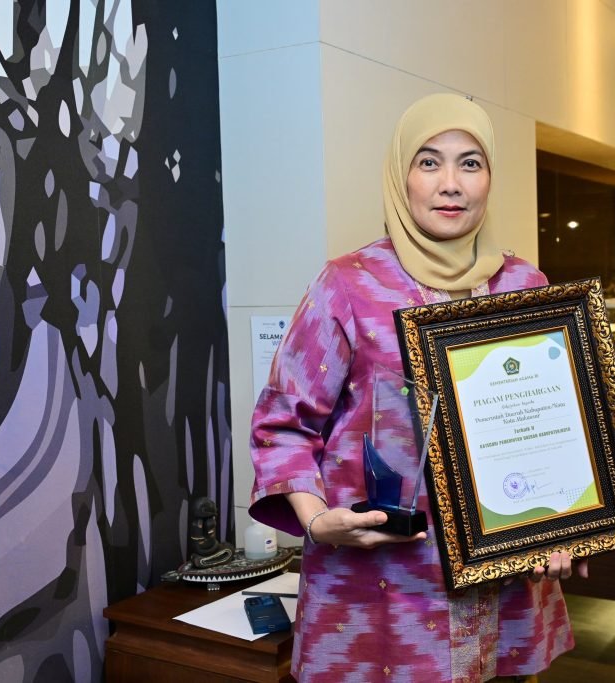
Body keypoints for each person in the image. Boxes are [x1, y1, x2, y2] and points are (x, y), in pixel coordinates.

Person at [249, 93, 585, 682]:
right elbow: (283, 424)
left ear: (490, 178)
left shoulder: (524, 285)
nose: (450, 183)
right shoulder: (349, 284)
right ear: (400, 175)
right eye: (428, 162)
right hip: (380, 587)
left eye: (470, 163)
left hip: (503, 581)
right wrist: (316, 519)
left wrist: (564, 522)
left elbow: (555, 428)